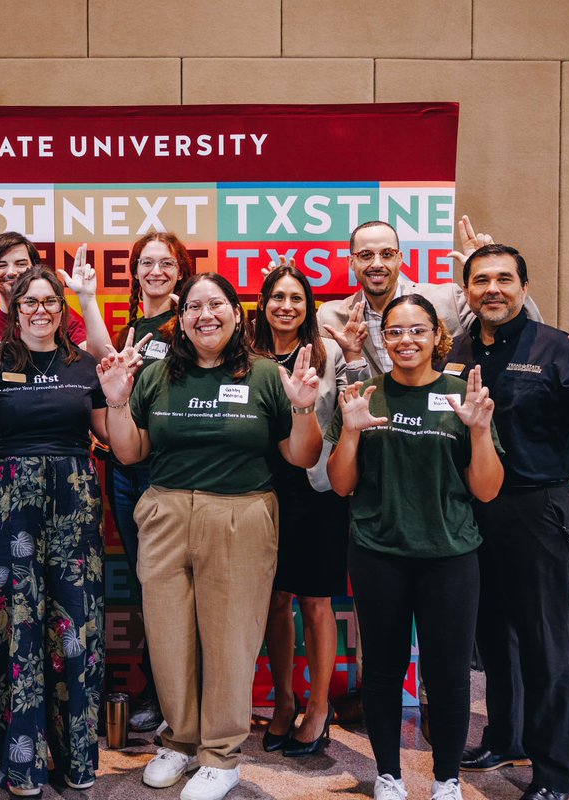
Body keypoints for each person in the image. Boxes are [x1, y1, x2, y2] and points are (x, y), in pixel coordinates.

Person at [98, 272, 322, 800]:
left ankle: (221, 755)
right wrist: (115, 401)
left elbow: (302, 456)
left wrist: (306, 406)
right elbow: (130, 453)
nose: (206, 315)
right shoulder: (157, 377)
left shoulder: (266, 375)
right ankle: (178, 741)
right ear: (182, 318)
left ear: (235, 312)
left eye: (216, 304)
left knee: (229, 638)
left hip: (240, 515)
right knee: (170, 635)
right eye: (195, 306)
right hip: (166, 513)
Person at [451, 244, 569, 800]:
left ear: (524, 288)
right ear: (467, 293)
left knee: (545, 642)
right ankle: (505, 736)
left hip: (538, 508)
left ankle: (555, 773)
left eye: (505, 279)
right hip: (473, 512)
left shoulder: (557, 348)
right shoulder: (456, 351)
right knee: (493, 637)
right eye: (481, 280)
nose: (493, 289)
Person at [327, 294, 504, 800]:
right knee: (382, 670)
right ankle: (389, 775)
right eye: (397, 332)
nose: (406, 340)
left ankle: (447, 778)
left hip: (450, 556)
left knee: (448, 673)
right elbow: (342, 485)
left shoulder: (461, 396)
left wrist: (481, 429)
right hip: (378, 552)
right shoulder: (366, 394)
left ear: (436, 336)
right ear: (385, 339)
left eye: (418, 330)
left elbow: (487, 489)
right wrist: (353, 434)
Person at [0, 265, 109, 796]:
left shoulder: (84, 366)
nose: (40, 310)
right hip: (4, 504)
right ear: (14, 312)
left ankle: (76, 761)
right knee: (13, 621)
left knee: (75, 624)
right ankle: (19, 762)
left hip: (74, 504)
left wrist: (121, 393)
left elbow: (115, 440)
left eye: (49, 302)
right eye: (29, 303)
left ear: (62, 311)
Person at [253, 260, 369, 757]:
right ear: (263, 305)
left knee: (317, 603)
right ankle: (283, 701)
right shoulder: (247, 355)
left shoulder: (325, 355)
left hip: (317, 489)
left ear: (309, 306)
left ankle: (318, 708)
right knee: (276, 601)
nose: (286, 306)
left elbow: (354, 408)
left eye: (296, 298)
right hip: (260, 489)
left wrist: (356, 355)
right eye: (277, 297)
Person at [101, 231, 194, 732]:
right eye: (146, 263)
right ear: (135, 273)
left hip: (168, 470)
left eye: (166, 263)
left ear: (180, 270)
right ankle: (156, 688)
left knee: (172, 585)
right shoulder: (131, 327)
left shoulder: (190, 322)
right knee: (145, 585)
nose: (156, 271)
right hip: (124, 469)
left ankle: (172, 697)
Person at [318, 218, 542, 375]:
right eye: (366, 255)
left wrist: (484, 271)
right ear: (351, 262)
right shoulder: (331, 317)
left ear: (400, 259)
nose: (377, 264)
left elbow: (526, 329)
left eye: (387, 254)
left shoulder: (448, 299)